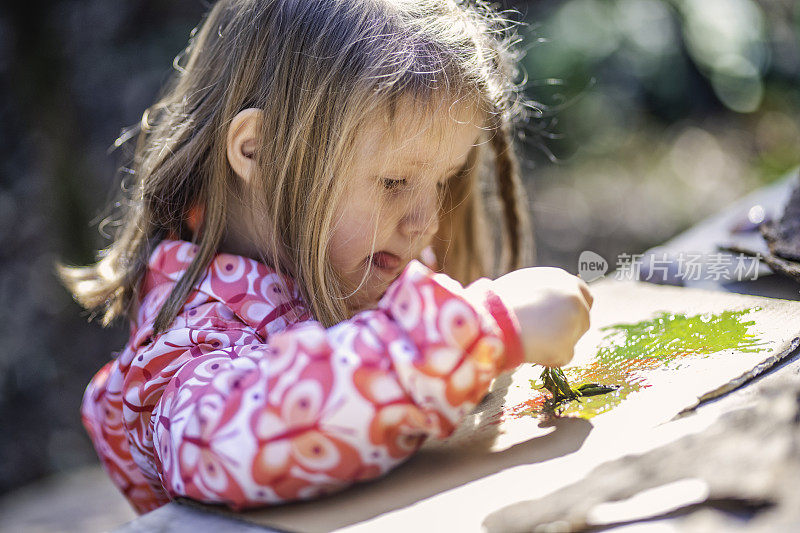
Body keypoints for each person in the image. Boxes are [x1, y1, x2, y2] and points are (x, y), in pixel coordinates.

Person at [57, 0, 593, 515]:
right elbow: (229, 443)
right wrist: (478, 332)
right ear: (258, 151)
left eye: (443, 181)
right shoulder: (193, 338)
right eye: (394, 181)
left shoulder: (361, 263)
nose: (425, 222)